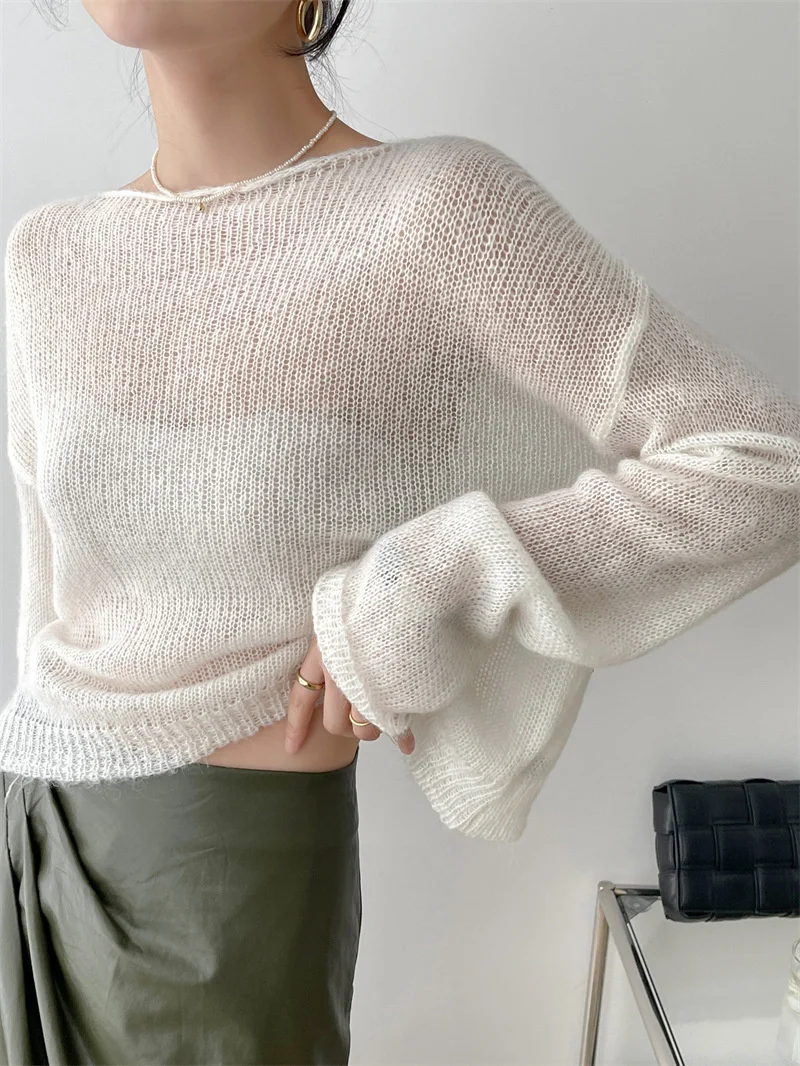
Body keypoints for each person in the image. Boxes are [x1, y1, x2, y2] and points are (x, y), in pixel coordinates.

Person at [2, 0, 799, 1062]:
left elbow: (762, 462)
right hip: (28, 832)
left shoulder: (432, 212)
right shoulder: (46, 255)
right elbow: (53, 606)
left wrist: (428, 582)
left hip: (217, 888)